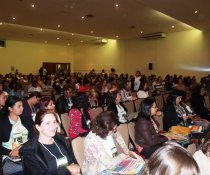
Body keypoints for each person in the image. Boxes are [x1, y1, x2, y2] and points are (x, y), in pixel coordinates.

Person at [20, 110, 81, 175]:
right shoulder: (30, 151)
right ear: (38, 127)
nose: (53, 126)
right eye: (48, 123)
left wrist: (75, 167)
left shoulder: (62, 141)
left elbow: (72, 162)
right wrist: (67, 170)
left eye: (54, 122)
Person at [83, 111, 138, 175]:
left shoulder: (109, 129)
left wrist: (127, 151)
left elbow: (119, 138)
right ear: (104, 130)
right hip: (98, 169)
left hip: (113, 162)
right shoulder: (92, 140)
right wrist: (124, 156)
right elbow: (109, 164)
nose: (115, 131)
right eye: (113, 129)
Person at [0, 96, 33, 175]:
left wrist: (21, 147)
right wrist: (10, 153)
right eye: (19, 106)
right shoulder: (2, 124)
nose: (22, 108)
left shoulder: (26, 120)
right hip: (9, 158)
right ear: (10, 108)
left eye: (22, 106)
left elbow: (33, 138)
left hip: (27, 153)